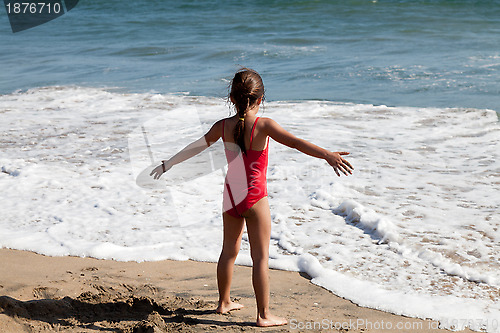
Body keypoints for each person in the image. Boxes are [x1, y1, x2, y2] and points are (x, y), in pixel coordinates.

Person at [150, 68, 353, 327]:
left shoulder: (223, 126)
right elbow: (296, 143)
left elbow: (197, 146)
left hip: (231, 195)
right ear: (260, 99)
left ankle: (223, 302)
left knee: (228, 252)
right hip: (255, 197)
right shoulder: (264, 125)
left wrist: (169, 164)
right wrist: (327, 154)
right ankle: (264, 315)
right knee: (260, 258)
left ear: (232, 98)